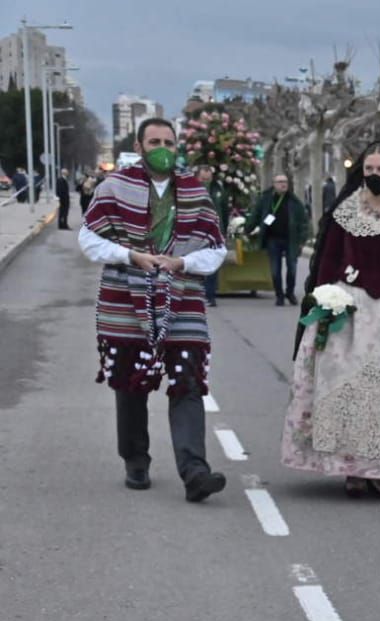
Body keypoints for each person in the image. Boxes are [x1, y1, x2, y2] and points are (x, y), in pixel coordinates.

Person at [77, 117, 227, 501]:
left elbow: (215, 248)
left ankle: (195, 471)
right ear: (140, 146)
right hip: (126, 296)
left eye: (169, 141)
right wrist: (130, 255)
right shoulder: (114, 187)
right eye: (155, 141)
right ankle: (136, 459)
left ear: (178, 147)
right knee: (130, 382)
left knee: (188, 381)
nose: (163, 147)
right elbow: (88, 239)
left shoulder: (196, 191)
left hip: (184, 297)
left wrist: (184, 263)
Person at [281, 141, 380, 498]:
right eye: (368, 170)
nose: (374, 176)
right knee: (348, 384)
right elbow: (327, 262)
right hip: (350, 310)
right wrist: (320, 305)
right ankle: (352, 467)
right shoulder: (345, 212)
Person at [242, 174, 311, 307]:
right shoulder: (266, 199)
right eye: (280, 182)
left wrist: (302, 239)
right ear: (274, 184)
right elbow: (256, 215)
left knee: (292, 268)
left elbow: (303, 221)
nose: (283, 184)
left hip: (291, 240)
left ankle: (290, 292)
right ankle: (279, 295)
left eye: (285, 182)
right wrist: (247, 229)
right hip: (272, 239)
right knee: (275, 270)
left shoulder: (294, 201)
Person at [193, 165, 223, 307]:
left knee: (212, 262)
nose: (206, 181)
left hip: (213, 231)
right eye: (203, 178)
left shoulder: (218, 190)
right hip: (195, 232)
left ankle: (210, 296)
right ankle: (197, 293)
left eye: (208, 178)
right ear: (198, 177)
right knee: (196, 262)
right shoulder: (191, 189)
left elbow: (224, 211)